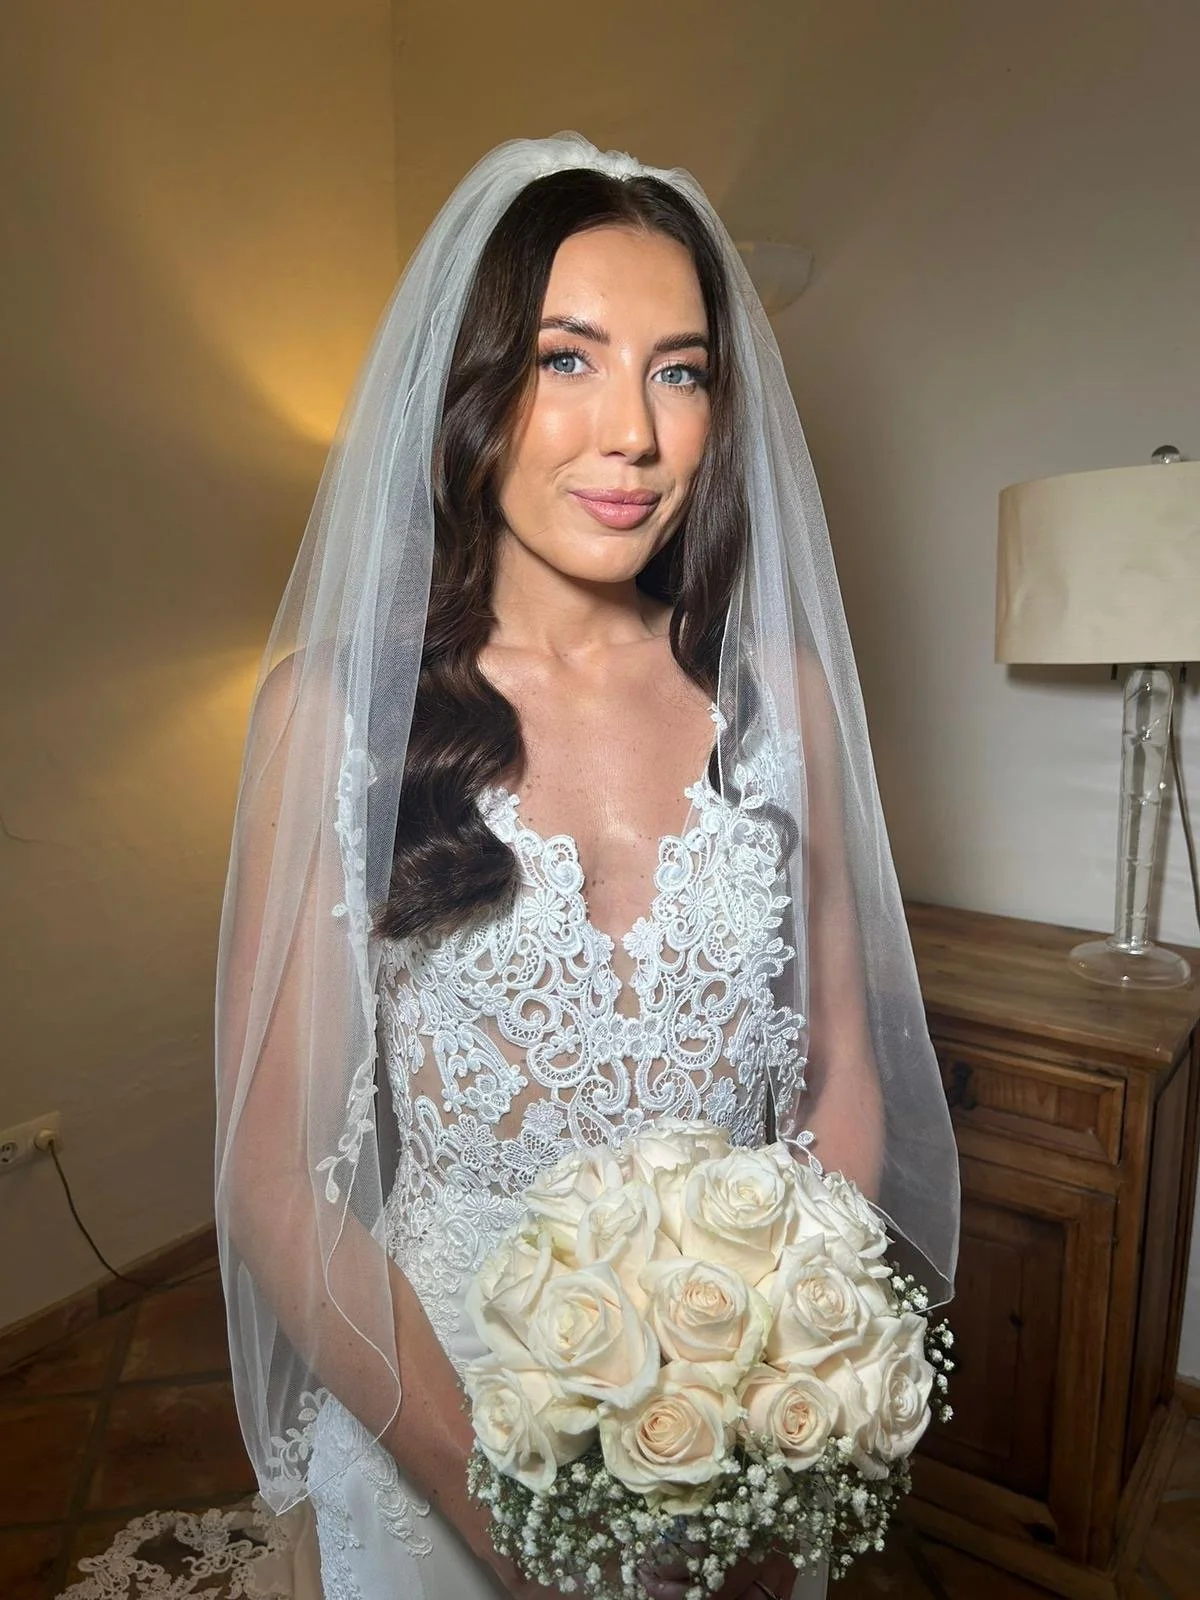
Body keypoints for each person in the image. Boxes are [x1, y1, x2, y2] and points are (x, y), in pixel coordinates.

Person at [215, 134, 959, 1600]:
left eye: (680, 372)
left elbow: (841, 1082)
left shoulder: (780, 701)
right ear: (473, 387)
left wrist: (777, 1415)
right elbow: (276, 1179)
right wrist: (503, 1518)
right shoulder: (335, 716)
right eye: (569, 359)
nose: (632, 433)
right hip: (443, 1419)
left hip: (735, 1441)